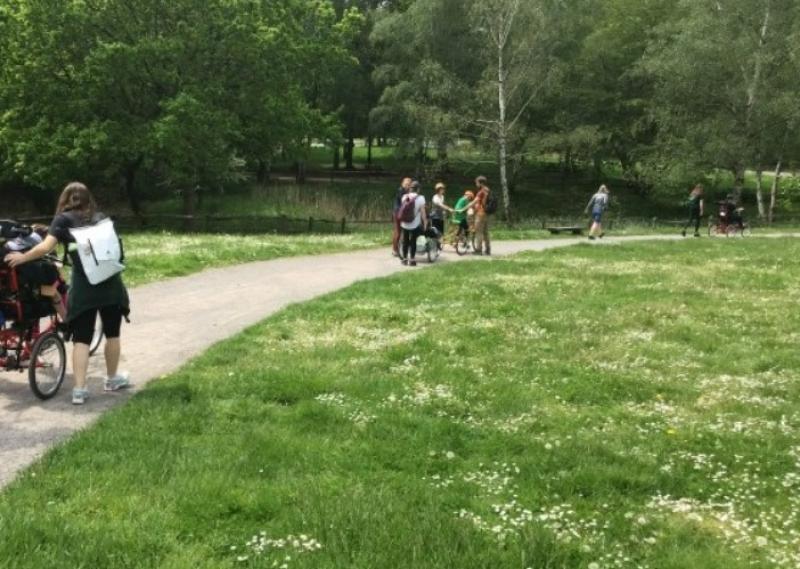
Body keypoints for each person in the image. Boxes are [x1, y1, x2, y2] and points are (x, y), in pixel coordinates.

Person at [4, 182, 131, 405]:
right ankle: (112, 380)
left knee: (82, 339)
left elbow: (45, 248)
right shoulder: (101, 217)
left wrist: (22, 257)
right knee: (112, 334)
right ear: (88, 198)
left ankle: (80, 391)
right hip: (111, 285)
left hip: (85, 288)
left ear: (64, 199)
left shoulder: (63, 220)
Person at [398, 181, 428, 266]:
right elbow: (423, 212)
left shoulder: (404, 196)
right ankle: (412, 260)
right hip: (414, 224)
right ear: (418, 189)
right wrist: (425, 222)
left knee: (405, 241)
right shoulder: (421, 198)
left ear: (411, 188)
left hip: (404, 223)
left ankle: (404, 259)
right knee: (413, 241)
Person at [462, 176, 492, 255]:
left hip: (480, 213)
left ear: (480, 183)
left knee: (479, 232)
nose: (476, 184)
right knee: (486, 232)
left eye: (477, 182)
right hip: (486, 213)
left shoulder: (481, 191)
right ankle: (488, 249)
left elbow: (474, 202)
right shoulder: (488, 190)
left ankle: (478, 250)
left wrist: (464, 208)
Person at [391, 177, 412, 257]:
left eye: (409, 185)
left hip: (401, 213)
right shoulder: (401, 191)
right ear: (402, 184)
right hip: (398, 213)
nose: (407, 186)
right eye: (406, 184)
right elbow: (405, 202)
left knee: (400, 231)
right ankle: (395, 249)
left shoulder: (405, 191)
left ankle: (399, 247)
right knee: (398, 231)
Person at [429, 182, 453, 248]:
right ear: (438, 190)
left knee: (441, 231)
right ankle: (433, 245)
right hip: (435, 216)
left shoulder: (442, 197)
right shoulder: (435, 197)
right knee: (435, 231)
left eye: (443, 189)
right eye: (442, 189)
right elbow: (440, 204)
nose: (443, 190)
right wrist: (448, 208)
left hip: (441, 216)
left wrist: (445, 211)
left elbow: (442, 206)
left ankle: (438, 244)